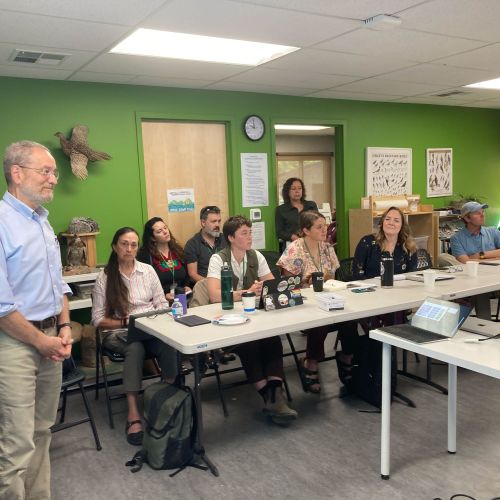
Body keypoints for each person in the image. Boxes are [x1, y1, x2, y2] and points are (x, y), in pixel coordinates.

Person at [0, 141, 73, 499]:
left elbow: (58, 283)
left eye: (54, 172)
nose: (53, 179)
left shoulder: (43, 222)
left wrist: (64, 326)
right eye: (46, 171)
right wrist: (40, 340)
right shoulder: (1, 222)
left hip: (51, 338)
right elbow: (0, 307)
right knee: (16, 442)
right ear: (17, 173)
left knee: (43, 430)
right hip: (15, 343)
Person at [207, 215, 298, 425]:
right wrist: (247, 292)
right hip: (227, 318)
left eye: (250, 232)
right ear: (231, 237)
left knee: (272, 338)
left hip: (254, 316)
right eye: (244, 233)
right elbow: (213, 295)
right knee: (248, 343)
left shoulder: (256, 256)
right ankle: (269, 396)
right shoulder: (218, 259)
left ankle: (274, 393)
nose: (250, 237)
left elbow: (274, 286)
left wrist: (270, 287)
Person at [92, 227, 178, 445]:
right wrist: (126, 322)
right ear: (114, 246)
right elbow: (98, 319)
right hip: (119, 333)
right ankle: (133, 413)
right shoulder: (105, 277)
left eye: (133, 244)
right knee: (135, 348)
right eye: (123, 243)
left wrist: (155, 318)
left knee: (170, 344)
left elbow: (160, 303)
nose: (129, 249)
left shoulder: (148, 271)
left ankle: (166, 400)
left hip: (151, 329)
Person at [337, 206, 418, 371]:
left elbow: (412, 277)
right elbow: (357, 273)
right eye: (387, 219)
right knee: (360, 322)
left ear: (402, 225)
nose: (391, 223)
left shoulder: (408, 247)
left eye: (396, 220)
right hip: (369, 297)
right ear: (381, 222)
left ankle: (386, 359)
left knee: (393, 317)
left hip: (397, 298)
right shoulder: (368, 242)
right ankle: (375, 359)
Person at [277, 210, 339, 393]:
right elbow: (287, 285)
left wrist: (325, 279)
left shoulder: (327, 247)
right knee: (320, 320)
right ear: (306, 230)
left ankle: (348, 357)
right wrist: (306, 281)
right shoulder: (295, 248)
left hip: (326, 296)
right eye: (319, 227)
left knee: (349, 319)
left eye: (325, 225)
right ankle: (310, 362)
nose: (324, 230)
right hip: (303, 301)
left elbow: (333, 276)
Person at [450, 201, 500, 319]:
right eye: (477, 213)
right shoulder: (456, 238)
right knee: (479, 289)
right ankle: (485, 325)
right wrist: (495, 257)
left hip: (496, 275)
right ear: (467, 218)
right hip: (474, 278)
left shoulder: (493, 231)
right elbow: (466, 262)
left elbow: (471, 259)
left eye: (482, 212)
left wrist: (480, 255)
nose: (482, 215)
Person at [137, 217, 192, 303]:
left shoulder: (177, 250)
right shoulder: (145, 256)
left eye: (165, 228)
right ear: (152, 238)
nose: (165, 232)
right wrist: (163, 295)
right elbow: (144, 285)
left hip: (181, 299)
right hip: (159, 302)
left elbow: (186, 275)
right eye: (159, 231)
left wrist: (186, 286)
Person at [185, 205, 227, 283]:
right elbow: (193, 274)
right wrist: (213, 285)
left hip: (227, 283)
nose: (217, 225)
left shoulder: (225, 239)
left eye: (219, 221)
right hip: (204, 287)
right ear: (203, 223)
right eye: (214, 221)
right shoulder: (193, 244)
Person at [275, 177, 318, 251]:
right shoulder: (281, 209)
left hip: (311, 243)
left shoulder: (311, 205)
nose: (297, 191)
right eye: (293, 189)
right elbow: (280, 232)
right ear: (287, 191)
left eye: (299, 188)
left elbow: (317, 224)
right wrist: (293, 237)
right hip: (292, 246)